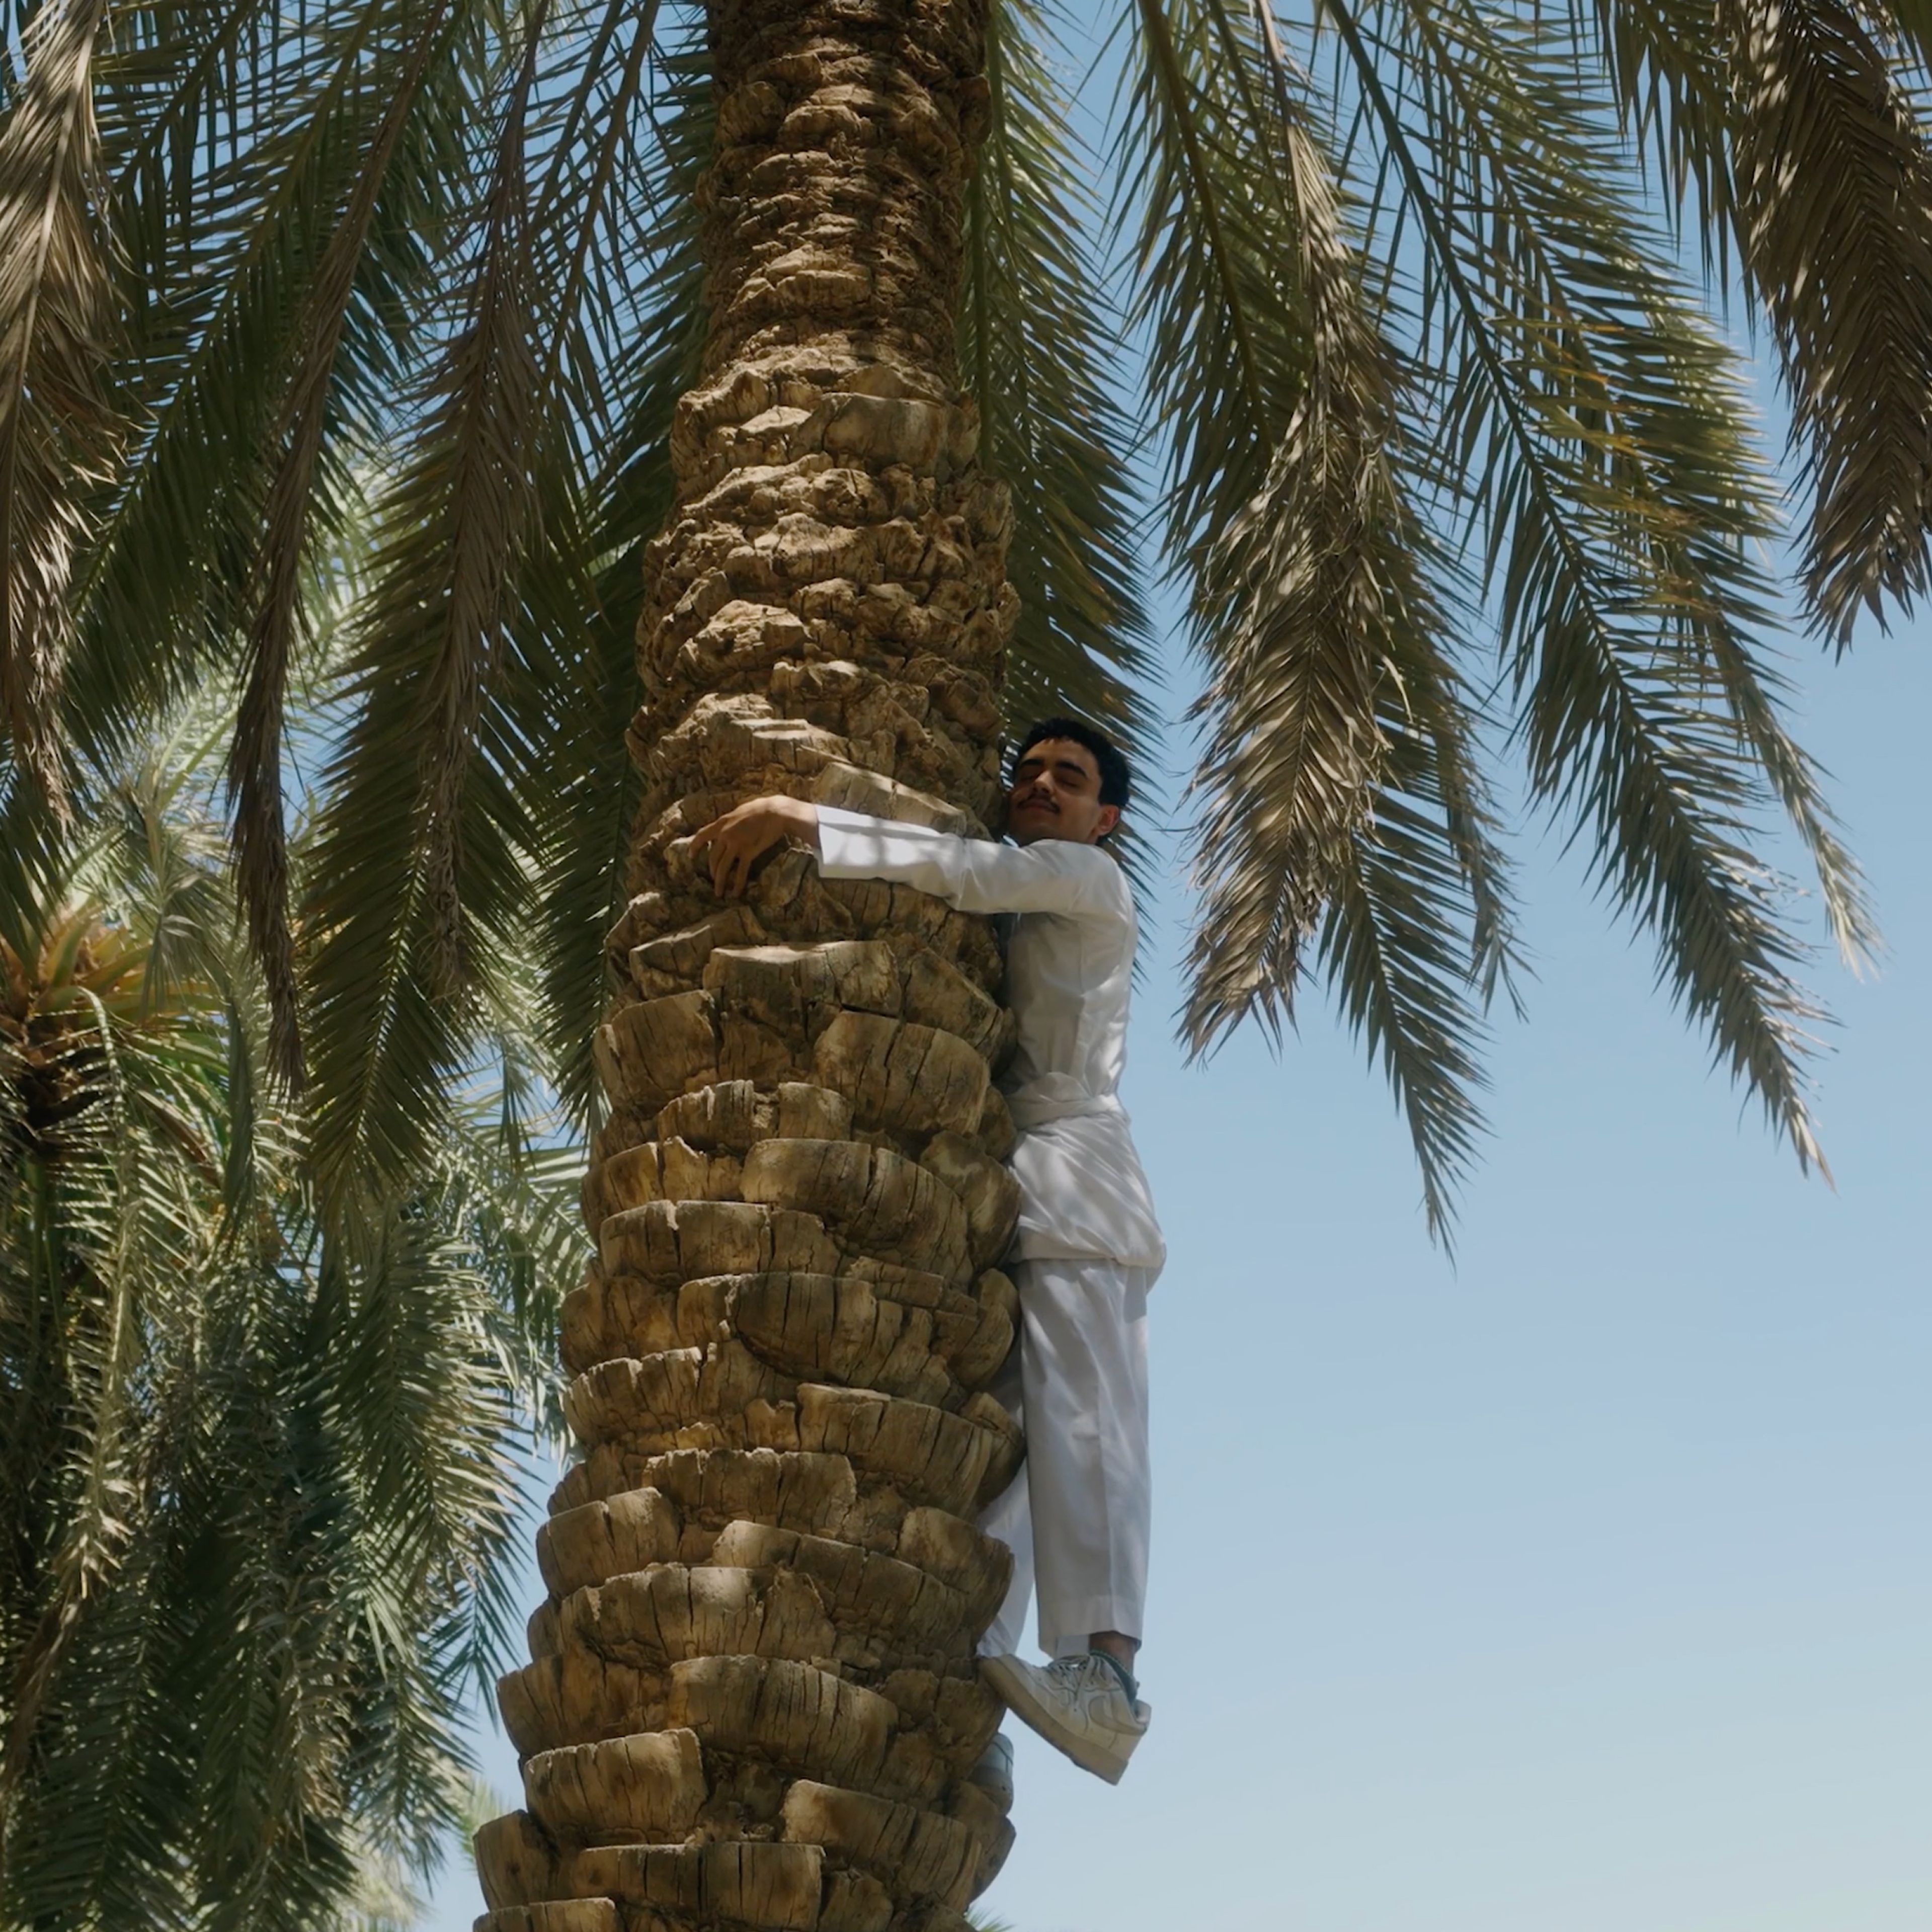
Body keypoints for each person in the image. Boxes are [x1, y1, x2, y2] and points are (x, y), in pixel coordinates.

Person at [691, 718, 1164, 1789]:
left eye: (1070, 777)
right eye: (1029, 770)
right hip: (1018, 1181)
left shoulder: (1087, 879)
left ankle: (1110, 1678)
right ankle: (978, 1674)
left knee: (1090, 1428)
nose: (1041, 784)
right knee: (1004, 1440)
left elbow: (963, 873)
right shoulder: (1048, 876)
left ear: (1108, 819)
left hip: (1083, 1180)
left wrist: (806, 817)